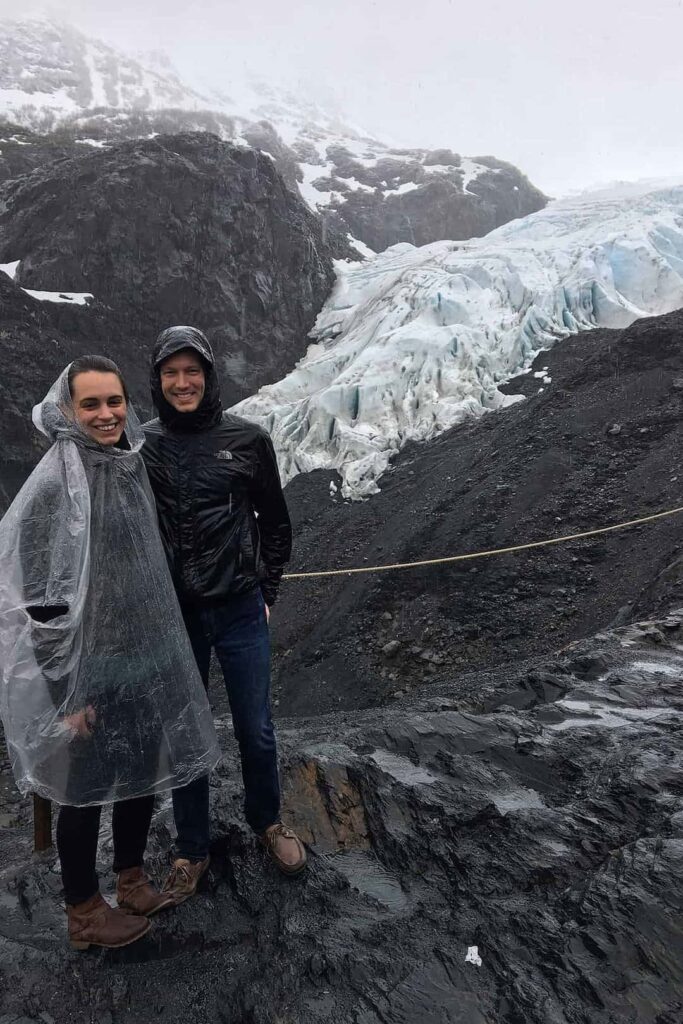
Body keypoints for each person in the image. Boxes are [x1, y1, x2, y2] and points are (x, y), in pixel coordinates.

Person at [0, 356, 220, 950]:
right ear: (67, 410)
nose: (105, 414)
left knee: (140, 772)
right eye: (90, 404)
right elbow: (42, 598)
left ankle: (130, 881)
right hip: (87, 673)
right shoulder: (56, 482)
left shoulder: (126, 465)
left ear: (128, 404)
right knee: (84, 787)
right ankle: (84, 913)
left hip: (142, 657)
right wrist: (63, 692)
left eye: (113, 402)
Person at [141, 325, 306, 904]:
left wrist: (269, 591)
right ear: (158, 380)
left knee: (255, 729)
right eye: (171, 372)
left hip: (238, 608)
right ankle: (192, 847)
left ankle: (268, 820)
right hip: (176, 615)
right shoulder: (143, 447)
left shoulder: (248, 440)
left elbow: (276, 524)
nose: (182, 382)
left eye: (192, 371)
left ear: (209, 376)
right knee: (184, 734)